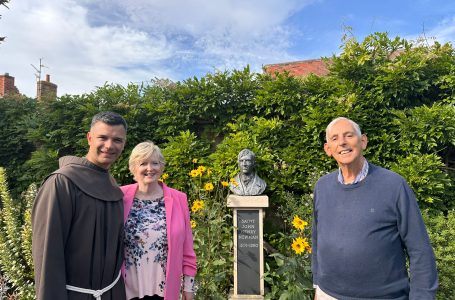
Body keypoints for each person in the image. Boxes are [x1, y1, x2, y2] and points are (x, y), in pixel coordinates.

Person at [311, 117, 438, 299]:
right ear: (328, 149)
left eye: (349, 135)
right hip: (328, 294)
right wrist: (318, 286)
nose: (342, 143)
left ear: (363, 141)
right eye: (335, 138)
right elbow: (317, 238)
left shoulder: (394, 185)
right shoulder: (322, 187)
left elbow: (419, 250)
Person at [32, 111, 128, 300]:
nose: (109, 146)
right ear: (89, 138)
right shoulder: (62, 183)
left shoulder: (113, 186)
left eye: (117, 140)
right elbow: (47, 256)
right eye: (103, 137)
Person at [120, 141, 197, 300]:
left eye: (155, 163)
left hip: (165, 290)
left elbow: (187, 251)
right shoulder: (119, 197)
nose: (150, 168)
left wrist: (189, 289)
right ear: (133, 168)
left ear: (161, 167)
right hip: (127, 290)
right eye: (143, 163)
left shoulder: (178, 199)